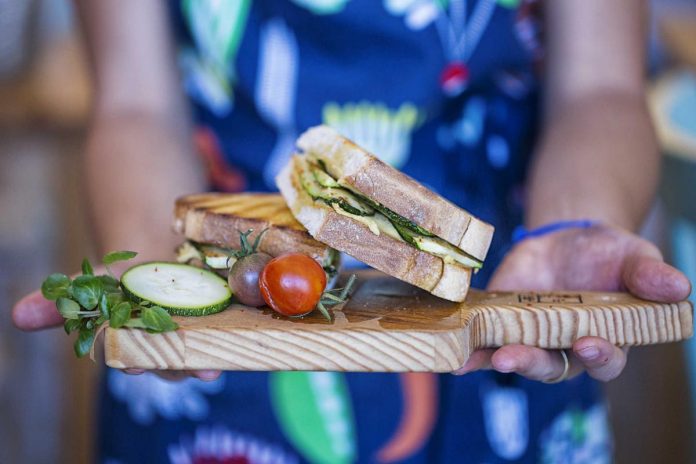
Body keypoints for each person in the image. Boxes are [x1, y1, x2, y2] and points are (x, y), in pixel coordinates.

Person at [13, 0, 692, 462]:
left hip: (500, 322)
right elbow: (135, 104)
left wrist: (576, 224)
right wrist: (157, 277)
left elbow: (601, 91)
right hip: (222, 349)